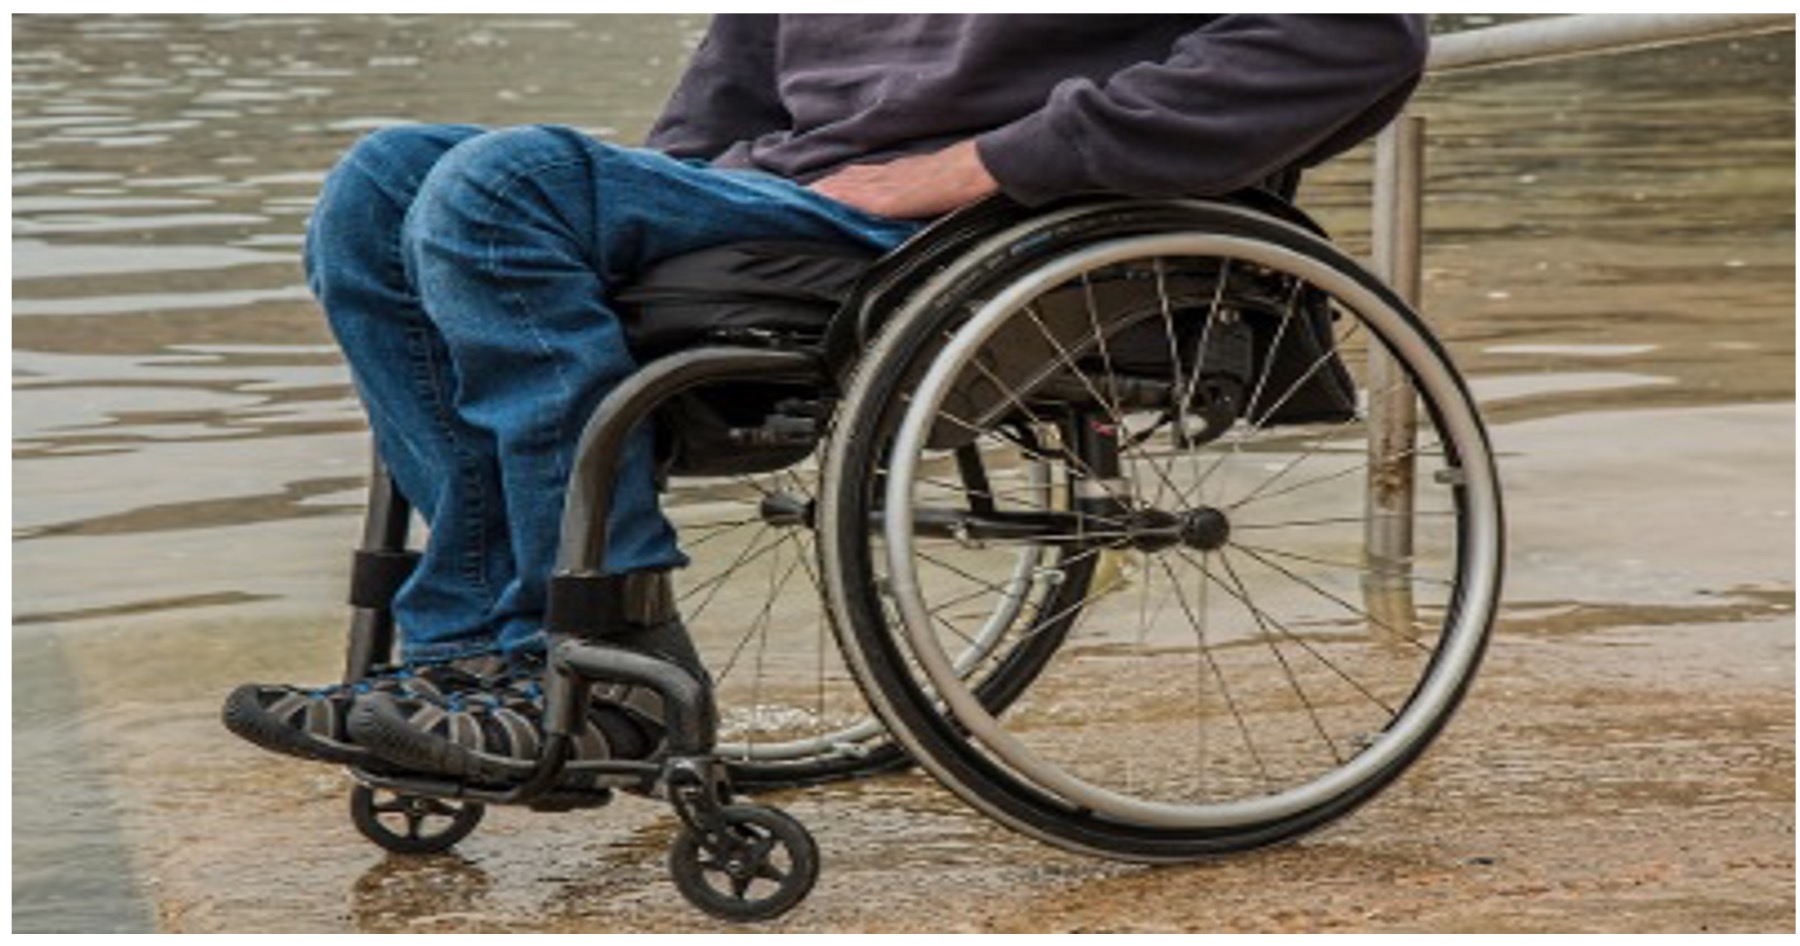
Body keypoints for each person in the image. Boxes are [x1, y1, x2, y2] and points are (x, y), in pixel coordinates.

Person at [223, 14, 1430, 782]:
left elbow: (1357, 38)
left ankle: (609, 658)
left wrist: (982, 164)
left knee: (500, 182)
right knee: (384, 181)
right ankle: (466, 661)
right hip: (787, 204)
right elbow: (726, 96)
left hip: (978, 218)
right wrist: (636, 213)